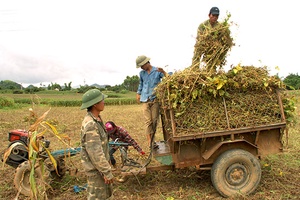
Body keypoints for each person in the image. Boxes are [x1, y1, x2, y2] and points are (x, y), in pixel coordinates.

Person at [80, 88, 113, 200]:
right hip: (96, 172)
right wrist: (106, 171)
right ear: (94, 104)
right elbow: (95, 152)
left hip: (100, 169)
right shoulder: (90, 124)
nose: (104, 102)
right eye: (101, 100)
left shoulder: (97, 119)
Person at [136, 55, 167, 149]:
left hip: (155, 100)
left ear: (146, 63)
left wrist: (163, 72)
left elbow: (167, 78)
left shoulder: (157, 71)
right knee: (148, 121)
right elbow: (141, 84)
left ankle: (153, 141)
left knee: (154, 121)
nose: (141, 67)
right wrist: (138, 93)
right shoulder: (142, 73)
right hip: (145, 99)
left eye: (142, 65)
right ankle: (150, 142)